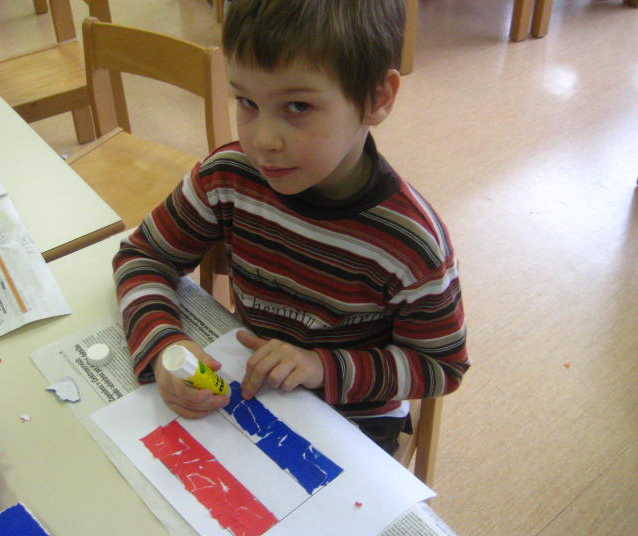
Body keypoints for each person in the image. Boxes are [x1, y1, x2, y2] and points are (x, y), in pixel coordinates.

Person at [113, 0, 470, 455]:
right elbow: (142, 256)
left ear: (377, 98)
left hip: (352, 418)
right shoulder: (228, 177)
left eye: (298, 106)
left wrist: (320, 366)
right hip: (251, 386)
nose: (263, 140)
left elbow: (441, 366)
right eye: (247, 102)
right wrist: (164, 344)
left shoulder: (410, 244)